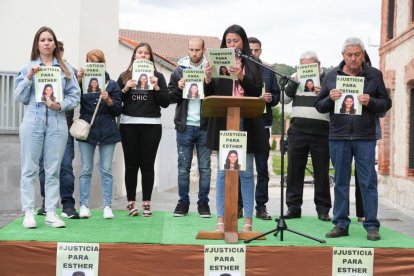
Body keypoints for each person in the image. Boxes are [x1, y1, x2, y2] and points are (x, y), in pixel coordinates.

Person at [315, 37, 392, 241]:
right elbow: (319, 105)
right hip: (338, 136)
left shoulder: (374, 75)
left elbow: (386, 103)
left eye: (357, 54)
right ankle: (340, 224)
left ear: (363, 54)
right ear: (343, 56)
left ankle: (372, 225)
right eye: (349, 55)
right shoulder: (331, 76)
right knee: (340, 181)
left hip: (365, 137)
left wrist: (371, 101)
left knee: (368, 182)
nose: (353, 59)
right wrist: (329, 98)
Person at [14, 26, 80, 228]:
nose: (46, 43)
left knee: (53, 169)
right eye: (42, 40)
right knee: (28, 169)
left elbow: (74, 95)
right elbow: (19, 96)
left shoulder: (65, 69)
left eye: (50, 39)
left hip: (57, 121)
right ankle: (29, 212)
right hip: (33, 120)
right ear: (37, 44)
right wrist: (29, 78)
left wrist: (59, 105)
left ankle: (51, 211)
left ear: (55, 43)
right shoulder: (28, 67)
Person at [204, 24, 266, 232]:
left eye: (236, 41)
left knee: (246, 173)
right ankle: (220, 219)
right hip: (224, 120)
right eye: (228, 41)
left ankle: (248, 220)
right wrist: (208, 77)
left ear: (244, 42)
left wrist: (240, 76)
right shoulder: (217, 61)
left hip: (246, 122)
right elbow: (210, 92)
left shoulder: (252, 63)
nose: (231, 45)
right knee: (223, 172)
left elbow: (256, 90)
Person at [117, 42, 170, 217]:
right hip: (128, 124)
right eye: (139, 53)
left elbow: (165, 102)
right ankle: (131, 203)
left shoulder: (158, 76)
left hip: (152, 125)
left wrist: (156, 87)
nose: (142, 55)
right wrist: (126, 88)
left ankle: (147, 203)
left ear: (150, 57)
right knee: (131, 165)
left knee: (147, 165)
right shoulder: (125, 76)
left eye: (146, 53)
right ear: (134, 56)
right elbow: (117, 102)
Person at [282, 50, 332, 221]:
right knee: (294, 170)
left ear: (318, 65)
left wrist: (324, 93)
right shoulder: (294, 77)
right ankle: (293, 208)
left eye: (310, 66)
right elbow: (283, 100)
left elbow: (337, 102)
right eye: (303, 66)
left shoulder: (329, 79)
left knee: (322, 171)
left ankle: (323, 209)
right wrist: (293, 83)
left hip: (322, 132)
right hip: (298, 131)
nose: (307, 69)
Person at [168, 37, 212, 218]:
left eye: (197, 50)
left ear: (203, 50)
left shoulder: (210, 69)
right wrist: (178, 88)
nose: (194, 53)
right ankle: (183, 203)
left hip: (205, 126)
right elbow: (170, 98)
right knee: (183, 168)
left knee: (205, 168)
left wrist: (209, 80)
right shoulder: (178, 71)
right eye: (191, 50)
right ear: (188, 50)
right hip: (184, 126)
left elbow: (215, 96)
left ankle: (203, 204)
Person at [76, 49, 122, 219]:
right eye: (90, 62)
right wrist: (79, 79)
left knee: (106, 170)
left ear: (103, 64)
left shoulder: (112, 84)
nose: (94, 65)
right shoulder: (80, 83)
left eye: (97, 62)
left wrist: (108, 99)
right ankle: (83, 206)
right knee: (86, 169)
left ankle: (107, 206)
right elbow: (73, 100)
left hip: (108, 130)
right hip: (87, 130)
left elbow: (118, 110)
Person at [37, 40, 80, 219]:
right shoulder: (36, 68)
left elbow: (76, 96)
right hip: (39, 126)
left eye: (59, 50)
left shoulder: (70, 71)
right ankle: (47, 204)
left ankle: (68, 205)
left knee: (65, 167)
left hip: (63, 125)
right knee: (42, 168)